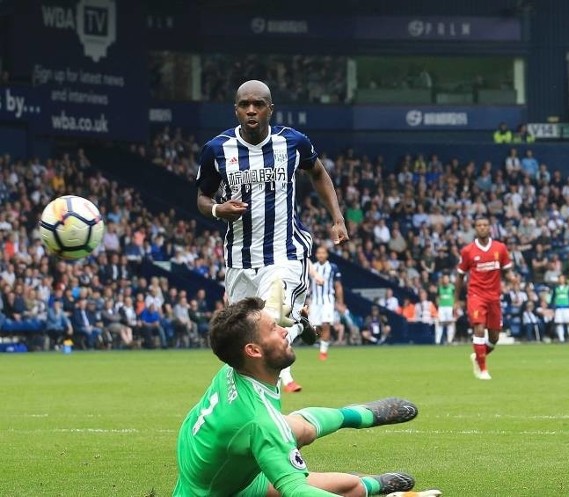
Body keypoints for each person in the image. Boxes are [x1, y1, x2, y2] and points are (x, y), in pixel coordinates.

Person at [173, 297, 440, 497]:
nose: (284, 331)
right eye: (273, 329)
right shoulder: (260, 421)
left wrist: (293, 322)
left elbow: (263, 334)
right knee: (345, 487)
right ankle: (376, 488)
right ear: (253, 350)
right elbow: (297, 491)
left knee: (298, 428)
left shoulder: (234, 364)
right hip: (221, 491)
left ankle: (359, 415)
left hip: (212, 467)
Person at [195, 80, 349, 393]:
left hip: (285, 251)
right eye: (244, 105)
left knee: (269, 321)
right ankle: (297, 323)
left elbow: (318, 172)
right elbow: (202, 197)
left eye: (258, 104)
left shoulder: (292, 142)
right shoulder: (216, 149)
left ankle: (288, 324)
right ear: (236, 109)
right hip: (240, 259)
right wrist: (218, 210)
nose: (251, 110)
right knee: (241, 346)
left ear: (270, 109)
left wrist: (337, 217)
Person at [455, 217, 514, 380]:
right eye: (479, 225)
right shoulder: (468, 251)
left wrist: (513, 279)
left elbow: (507, 271)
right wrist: (456, 300)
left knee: (494, 337)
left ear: (490, 228)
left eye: (485, 225)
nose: (482, 227)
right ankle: (483, 370)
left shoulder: (500, 248)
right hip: (476, 295)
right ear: (475, 228)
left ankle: (478, 356)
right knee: (479, 328)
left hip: (494, 296)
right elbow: (460, 276)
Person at [309, 246, 343, 361]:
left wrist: (340, 302)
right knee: (316, 327)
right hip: (315, 300)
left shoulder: (332, 267)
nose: (321, 255)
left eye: (323, 253)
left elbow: (338, 286)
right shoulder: (312, 268)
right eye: (319, 253)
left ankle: (323, 352)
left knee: (326, 324)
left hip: (328, 300)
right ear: (316, 255)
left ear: (327, 255)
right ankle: (323, 341)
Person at [550, 274, 569, 343]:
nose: (561, 280)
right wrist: (553, 308)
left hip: (567, 308)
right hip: (558, 308)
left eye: (562, 278)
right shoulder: (555, 288)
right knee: (559, 323)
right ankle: (561, 339)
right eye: (560, 278)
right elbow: (553, 299)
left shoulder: (568, 288)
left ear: (565, 279)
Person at [434, 274, 456, 345]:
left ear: (448, 280)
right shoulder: (439, 288)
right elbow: (437, 297)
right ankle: (437, 341)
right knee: (440, 323)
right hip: (442, 307)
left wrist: (454, 306)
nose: (445, 280)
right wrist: (438, 305)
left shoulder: (452, 288)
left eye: (447, 279)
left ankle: (450, 340)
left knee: (450, 324)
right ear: (442, 280)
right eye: (444, 279)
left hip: (450, 307)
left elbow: (455, 297)